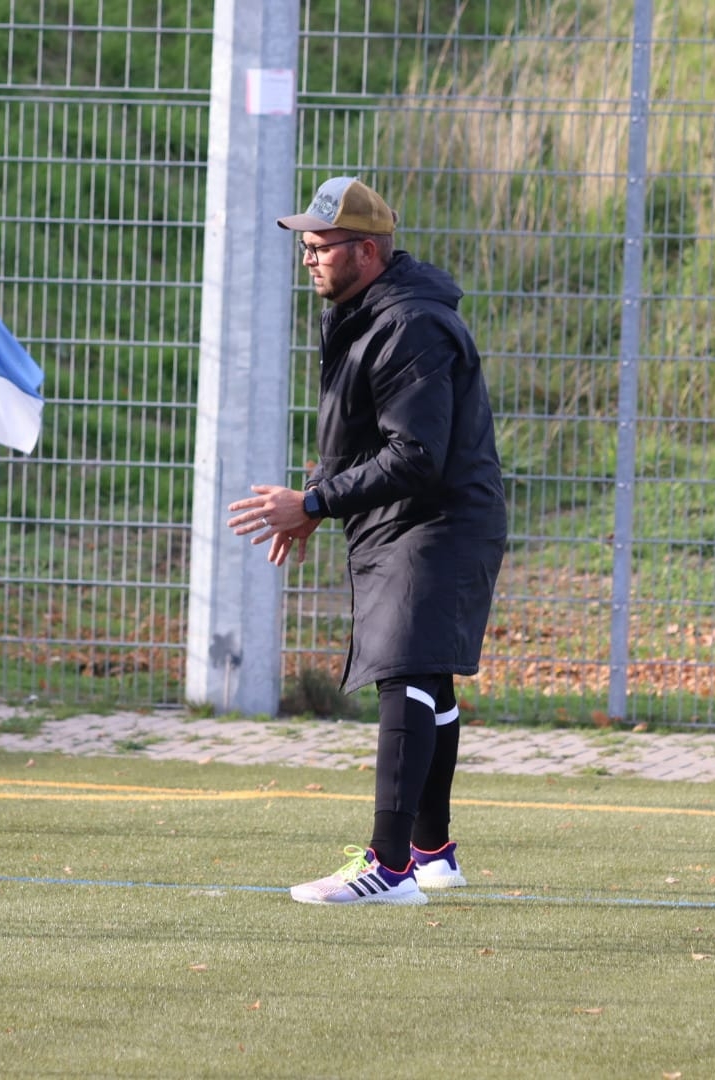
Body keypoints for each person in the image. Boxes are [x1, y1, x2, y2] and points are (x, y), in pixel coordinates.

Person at [228, 176, 507, 906]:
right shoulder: (363, 313)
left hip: (436, 520)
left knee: (404, 670)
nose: (308, 259)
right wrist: (317, 499)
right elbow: (364, 434)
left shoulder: (409, 323)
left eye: (320, 247)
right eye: (306, 246)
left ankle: (388, 867)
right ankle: (433, 854)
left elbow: (415, 454)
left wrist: (317, 499)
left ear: (367, 251)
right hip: (411, 518)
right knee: (428, 677)